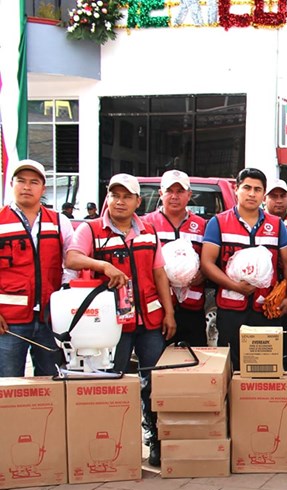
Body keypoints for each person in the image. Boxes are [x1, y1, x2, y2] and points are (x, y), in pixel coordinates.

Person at [65, 173, 176, 467]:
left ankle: (154, 439)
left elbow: (159, 273)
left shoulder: (148, 230)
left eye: (127, 196)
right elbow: (72, 258)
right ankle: (111, 442)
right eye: (115, 195)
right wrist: (102, 264)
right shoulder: (91, 230)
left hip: (149, 320)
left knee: (155, 383)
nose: (120, 201)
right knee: (112, 381)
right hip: (111, 325)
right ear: (107, 199)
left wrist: (169, 312)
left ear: (138, 202)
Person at [200, 167, 287, 371]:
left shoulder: (276, 224)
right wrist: (235, 286)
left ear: (263, 193)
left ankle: (259, 402)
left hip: (265, 308)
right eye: (247, 188)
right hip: (230, 307)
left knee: (265, 365)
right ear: (236, 189)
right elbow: (207, 264)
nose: (252, 194)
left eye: (257, 189)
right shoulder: (218, 223)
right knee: (230, 365)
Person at [0, 159, 74, 377]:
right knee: (7, 385)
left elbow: (72, 260)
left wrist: (63, 294)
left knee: (52, 383)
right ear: (11, 184)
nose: (26, 187)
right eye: (21, 181)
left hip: (50, 319)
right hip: (9, 322)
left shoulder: (59, 221)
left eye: (33, 182)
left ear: (43, 188)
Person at [143, 170, 208, 347]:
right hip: (158, 307)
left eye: (180, 191)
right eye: (169, 191)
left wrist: (204, 273)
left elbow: (210, 261)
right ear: (160, 193)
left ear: (189, 195)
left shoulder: (202, 225)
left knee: (195, 365)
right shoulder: (146, 224)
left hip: (193, 306)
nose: (174, 196)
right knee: (157, 365)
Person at [265, 178, 287, 371]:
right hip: (265, 288)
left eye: (282, 196)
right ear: (265, 198)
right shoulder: (259, 219)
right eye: (273, 196)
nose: (278, 200)